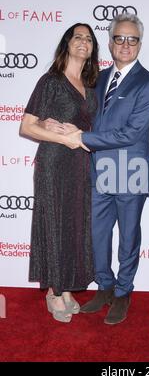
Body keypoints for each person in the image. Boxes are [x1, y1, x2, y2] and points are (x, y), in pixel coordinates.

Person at [67, 13, 149, 324]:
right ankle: (104, 286)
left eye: (132, 39)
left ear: (139, 44)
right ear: (109, 43)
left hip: (131, 173)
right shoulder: (99, 78)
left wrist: (83, 138)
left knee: (129, 237)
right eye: (119, 38)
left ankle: (123, 292)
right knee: (98, 236)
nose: (125, 44)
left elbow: (132, 133)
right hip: (98, 172)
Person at [19, 23, 99, 323]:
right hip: (54, 163)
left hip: (81, 166)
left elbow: (93, 128)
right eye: (78, 37)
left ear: (93, 48)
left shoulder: (91, 85)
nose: (83, 42)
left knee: (75, 225)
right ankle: (54, 291)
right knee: (55, 222)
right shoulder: (50, 81)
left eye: (89, 39)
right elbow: (26, 126)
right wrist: (63, 137)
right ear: (67, 43)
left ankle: (67, 289)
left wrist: (81, 135)